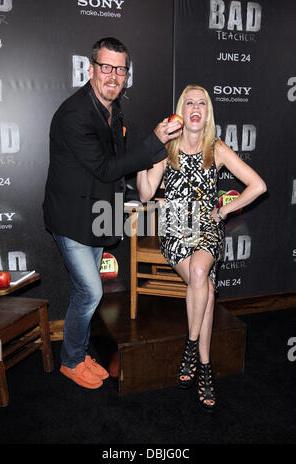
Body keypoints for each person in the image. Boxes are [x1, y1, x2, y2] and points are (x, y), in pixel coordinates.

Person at [43, 37, 182, 390]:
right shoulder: (74, 114)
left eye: (120, 69)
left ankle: (78, 351)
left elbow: (114, 167)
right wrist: (155, 142)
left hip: (94, 212)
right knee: (90, 292)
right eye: (106, 67)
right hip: (72, 217)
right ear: (91, 69)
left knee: (84, 292)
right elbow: (106, 168)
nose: (113, 75)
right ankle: (71, 362)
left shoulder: (112, 108)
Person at [136, 84, 266, 412]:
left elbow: (258, 185)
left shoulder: (217, 149)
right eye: (189, 102)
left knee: (199, 273)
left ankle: (190, 348)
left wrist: (222, 211)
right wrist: (145, 153)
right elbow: (146, 194)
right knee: (205, 286)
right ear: (182, 111)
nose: (196, 107)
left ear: (207, 113)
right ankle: (205, 368)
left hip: (207, 229)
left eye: (202, 104)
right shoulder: (167, 148)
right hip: (175, 232)